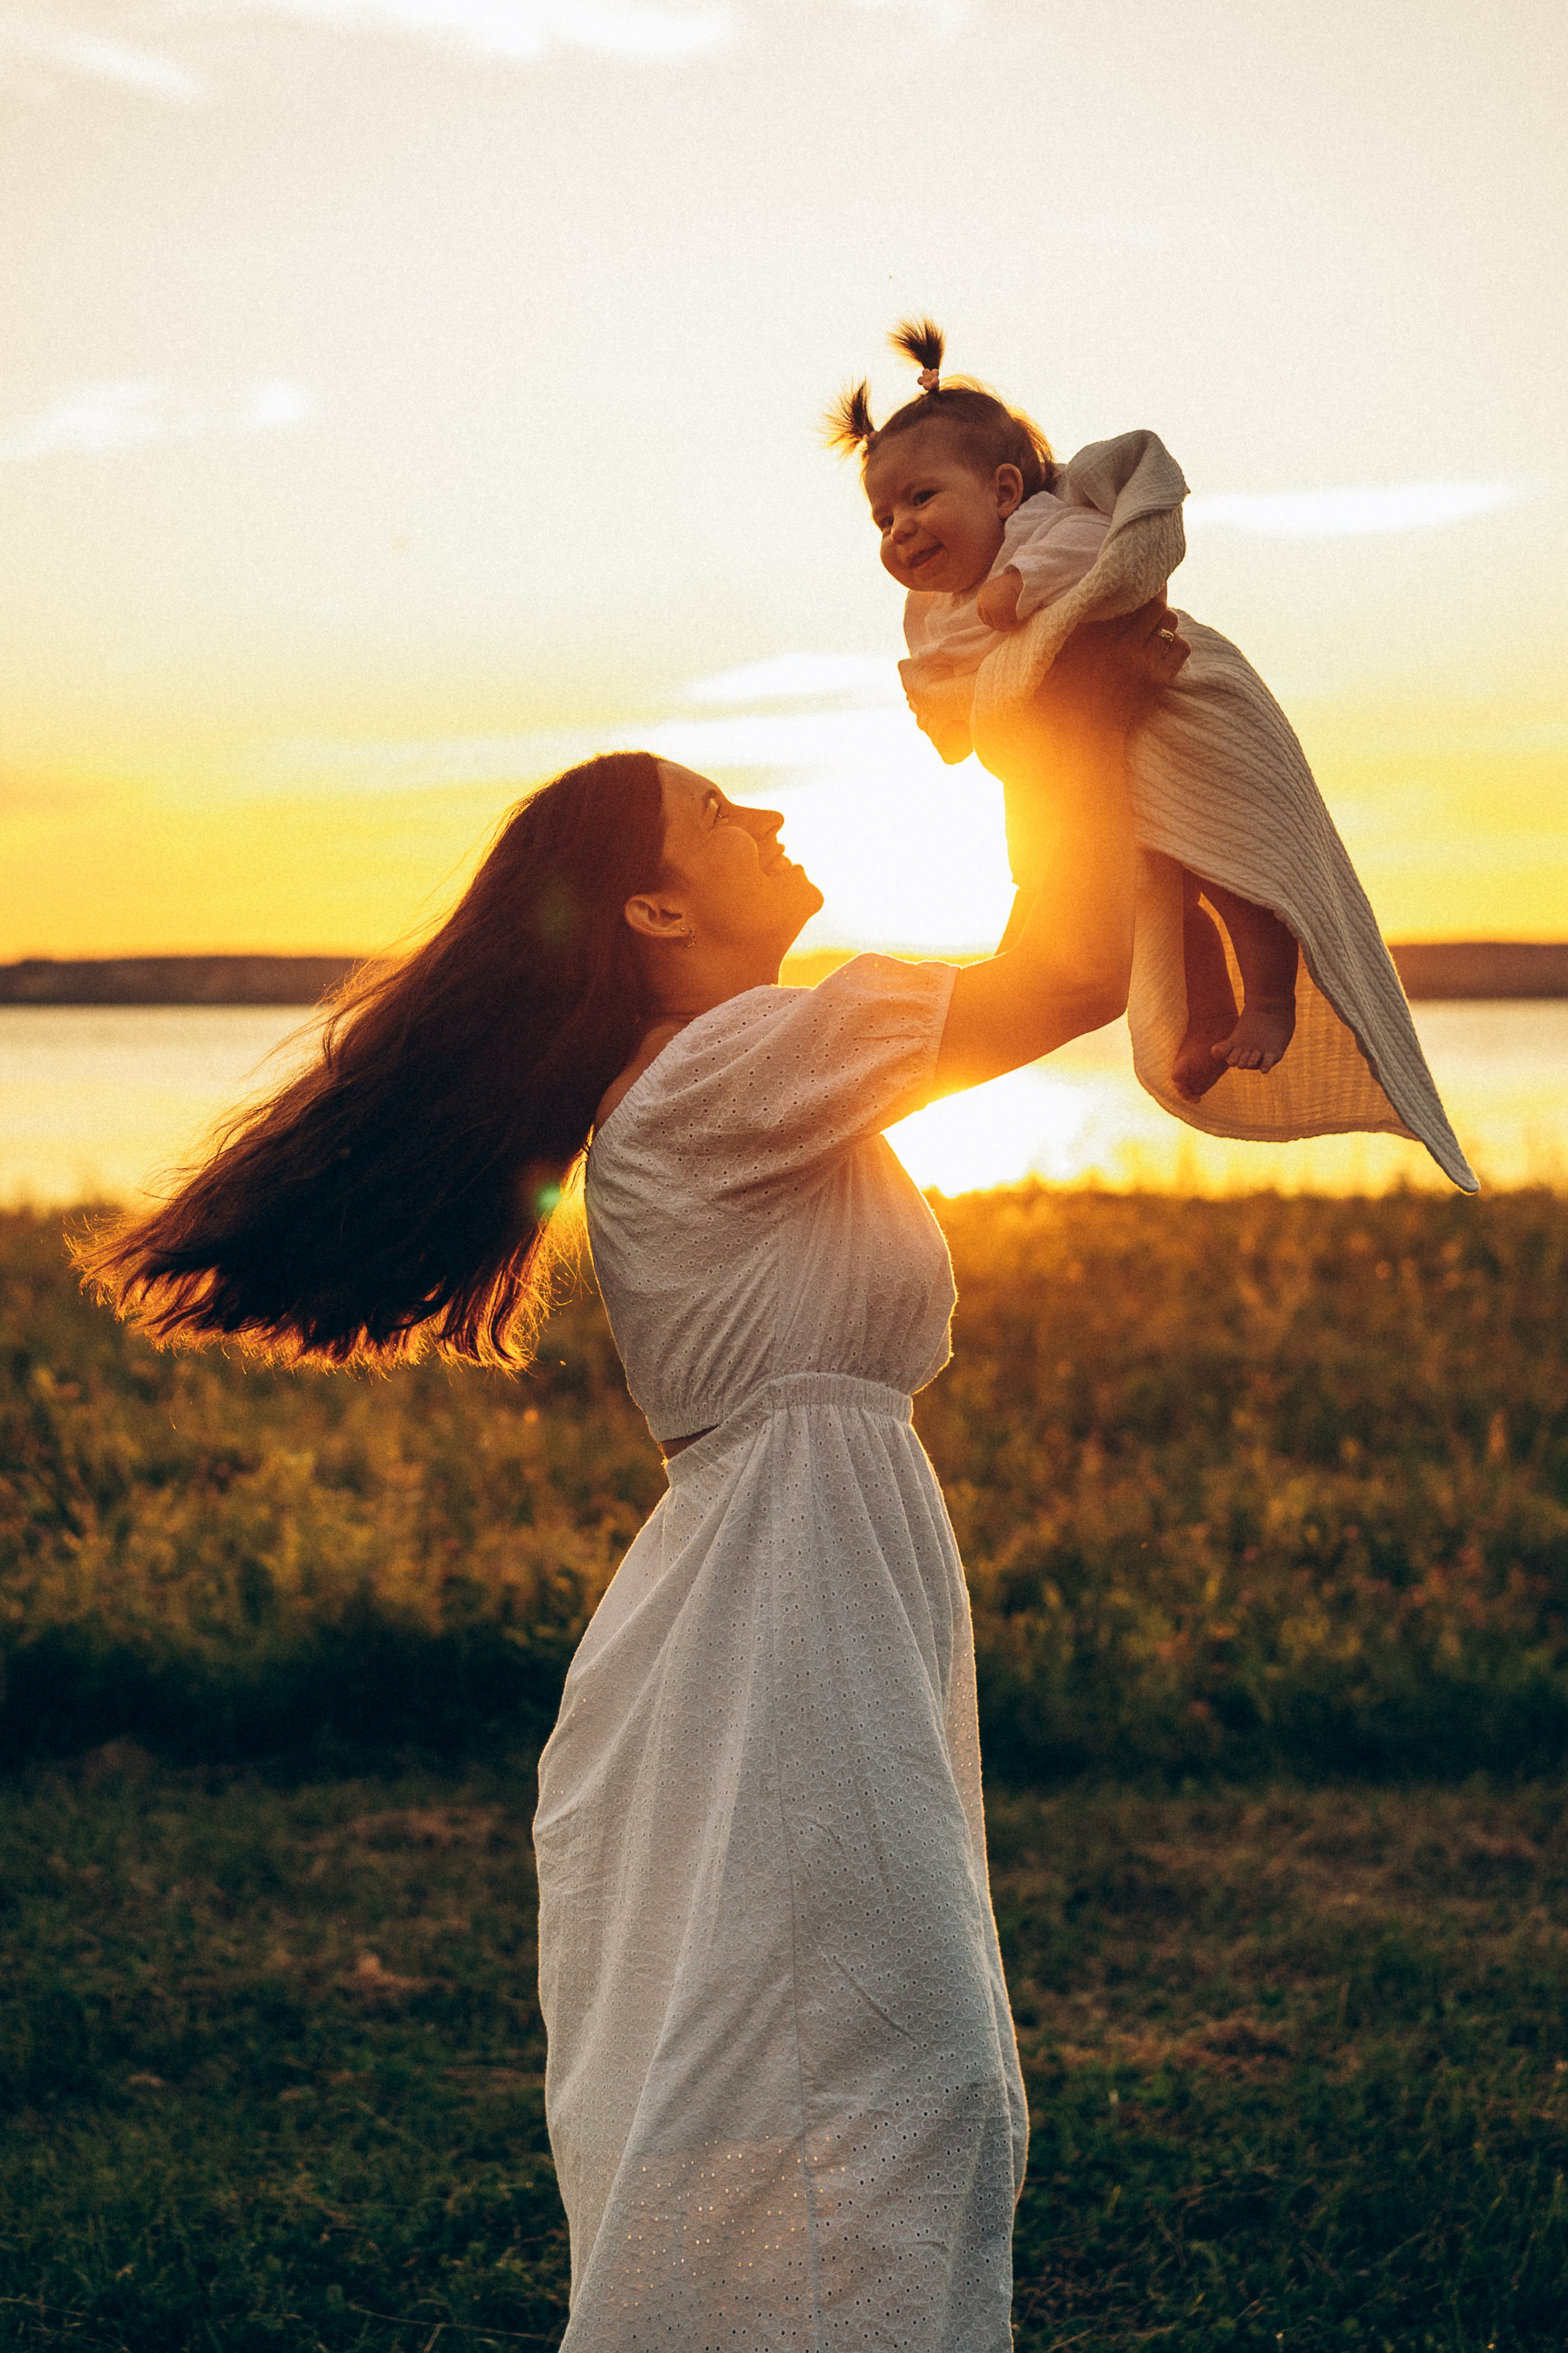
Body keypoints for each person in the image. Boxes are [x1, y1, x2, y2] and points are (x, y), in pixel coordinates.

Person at [74, 597, 1185, 2348]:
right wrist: (1054, 716)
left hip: (809, 1583)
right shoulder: (720, 1072)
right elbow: (1064, 965)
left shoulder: (746, 1074)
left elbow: (1081, 958)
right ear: (657, 910)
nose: (776, 823)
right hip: (780, 1611)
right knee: (889, 2076)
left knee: (885, 2072)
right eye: (722, 816)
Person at [826, 319, 1478, 1194]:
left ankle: (1272, 995)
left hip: (1176, 704)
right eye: (883, 516)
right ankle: (1205, 1018)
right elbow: (957, 693)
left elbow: (1097, 558)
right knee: (1154, 895)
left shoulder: (1045, 528)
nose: (900, 529)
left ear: (1006, 489)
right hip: (1094, 762)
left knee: (1229, 868)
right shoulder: (934, 610)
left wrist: (1019, 598)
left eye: (920, 499)